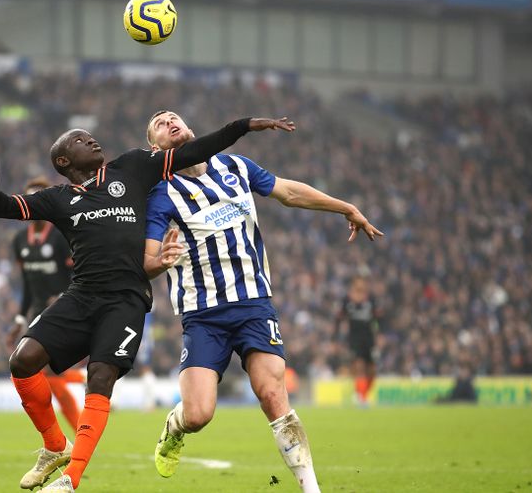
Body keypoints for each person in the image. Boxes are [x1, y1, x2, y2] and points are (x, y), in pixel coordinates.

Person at [0, 115, 294, 492]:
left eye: (91, 136)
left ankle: (70, 480)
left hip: (126, 301)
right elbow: (1, 207)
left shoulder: (132, 168)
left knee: (99, 378)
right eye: (81, 140)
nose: (93, 141)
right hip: (81, 295)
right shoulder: (58, 198)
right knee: (22, 361)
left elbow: (197, 149)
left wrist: (243, 125)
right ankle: (55, 447)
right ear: (64, 162)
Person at [142, 110, 383, 493]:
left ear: (189, 127)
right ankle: (176, 425)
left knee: (272, 394)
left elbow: (288, 191)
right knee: (199, 414)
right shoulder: (160, 193)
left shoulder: (235, 166)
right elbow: (147, 261)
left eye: (174, 116)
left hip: (254, 304)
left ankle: (310, 488)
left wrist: (345, 207)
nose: (169, 120)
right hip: (203, 315)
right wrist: (159, 262)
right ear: (154, 147)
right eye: (159, 123)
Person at [8, 176, 83, 430]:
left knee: (46, 373)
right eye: (31, 198)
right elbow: (27, 284)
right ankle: (80, 382)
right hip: (38, 312)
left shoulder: (62, 236)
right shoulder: (19, 241)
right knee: (44, 374)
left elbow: (78, 273)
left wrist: (64, 295)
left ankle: (69, 437)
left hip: (64, 309)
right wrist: (19, 319)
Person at [335, 277, 382, 406]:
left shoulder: (371, 299)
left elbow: (379, 318)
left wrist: (381, 335)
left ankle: (363, 395)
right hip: (354, 338)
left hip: (369, 338)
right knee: (359, 366)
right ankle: (360, 396)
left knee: (372, 370)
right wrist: (335, 338)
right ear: (354, 285)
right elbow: (339, 318)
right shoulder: (347, 300)